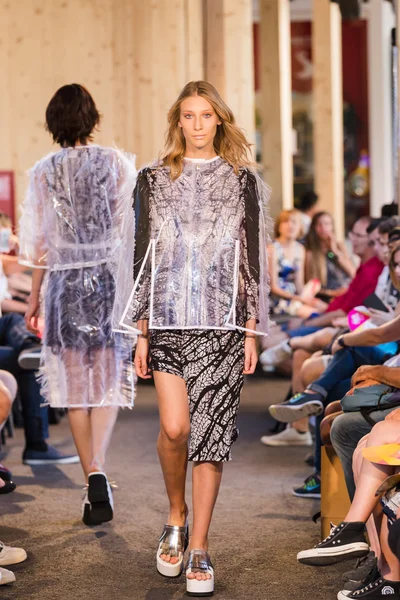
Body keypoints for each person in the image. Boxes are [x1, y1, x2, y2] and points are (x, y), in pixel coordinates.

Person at [121, 80, 270, 597]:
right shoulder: (152, 179)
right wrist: (140, 332)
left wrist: (251, 329)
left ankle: (200, 547)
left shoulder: (242, 181)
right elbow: (141, 256)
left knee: (209, 439)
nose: (199, 124)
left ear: (220, 121)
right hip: (165, 320)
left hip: (223, 324)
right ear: (178, 121)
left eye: (207, 115)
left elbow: (253, 258)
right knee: (176, 426)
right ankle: (176, 513)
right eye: (189, 115)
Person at [20, 84, 137, 525]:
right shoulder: (114, 163)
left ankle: (92, 475)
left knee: (74, 389)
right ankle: (99, 471)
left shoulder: (43, 171)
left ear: (53, 121)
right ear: (92, 117)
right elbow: (129, 233)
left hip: (65, 285)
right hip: (107, 282)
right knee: (105, 383)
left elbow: (40, 243)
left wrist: (33, 297)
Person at [269, 209, 322, 318]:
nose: (290, 225)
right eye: (286, 221)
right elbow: (273, 287)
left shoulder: (300, 249)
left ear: (300, 227)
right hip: (279, 300)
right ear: (279, 226)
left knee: (326, 308)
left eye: (294, 222)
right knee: (316, 315)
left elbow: (299, 283)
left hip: (296, 299)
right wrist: (298, 299)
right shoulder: (272, 248)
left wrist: (308, 298)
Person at [304, 211, 355, 302]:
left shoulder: (340, 246)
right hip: (326, 297)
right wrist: (332, 293)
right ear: (314, 228)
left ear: (332, 226)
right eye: (319, 224)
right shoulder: (310, 253)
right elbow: (310, 284)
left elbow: (352, 273)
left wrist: (334, 250)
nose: (323, 228)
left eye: (327, 224)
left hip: (348, 292)